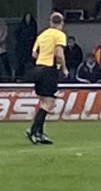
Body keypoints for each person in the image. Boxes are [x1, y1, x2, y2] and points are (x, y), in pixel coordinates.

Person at [24, 12, 68, 145]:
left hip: (38, 69)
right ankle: (32, 130)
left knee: (43, 102)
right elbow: (59, 54)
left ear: (50, 22)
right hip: (49, 70)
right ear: (61, 23)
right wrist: (63, 68)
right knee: (50, 103)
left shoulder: (42, 35)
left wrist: (42, 59)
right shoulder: (59, 35)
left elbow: (34, 53)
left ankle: (39, 134)